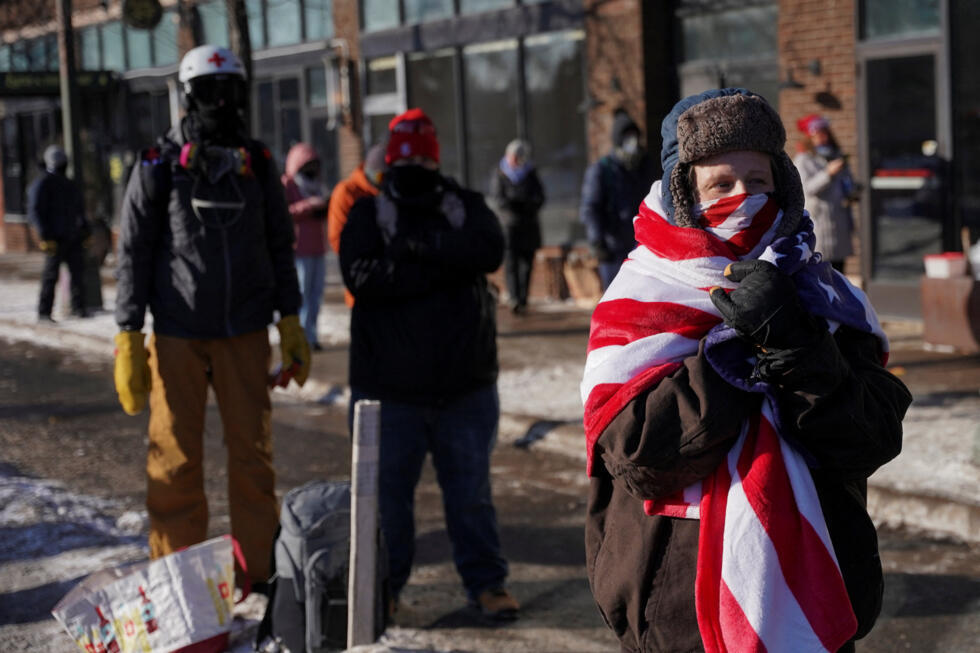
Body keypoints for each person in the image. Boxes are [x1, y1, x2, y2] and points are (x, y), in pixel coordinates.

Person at [580, 88, 911, 652]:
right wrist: (730, 358)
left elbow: (872, 438)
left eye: (757, 182)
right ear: (684, 194)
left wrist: (796, 345)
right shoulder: (638, 299)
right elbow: (638, 456)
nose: (743, 197)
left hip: (818, 598)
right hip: (676, 612)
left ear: (782, 184)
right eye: (721, 185)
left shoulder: (824, 296)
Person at [112, 44, 309, 588]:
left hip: (244, 332)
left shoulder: (260, 164)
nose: (219, 102)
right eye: (208, 92)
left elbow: (279, 243)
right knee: (174, 462)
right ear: (186, 96)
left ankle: (259, 574)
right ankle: (179, 582)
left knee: (253, 460)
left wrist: (290, 320)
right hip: (177, 333)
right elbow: (132, 249)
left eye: (229, 91)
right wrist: (128, 334)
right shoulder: (157, 165)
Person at [338, 108, 518, 621]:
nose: (415, 163)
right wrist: (444, 269)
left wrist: (417, 251)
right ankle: (384, 590)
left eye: (424, 154)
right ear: (391, 159)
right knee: (386, 503)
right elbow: (362, 276)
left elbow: (488, 249)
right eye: (407, 155)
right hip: (388, 392)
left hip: (465, 388)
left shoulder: (463, 205)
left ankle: (487, 583)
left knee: (471, 497)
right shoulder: (368, 214)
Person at [579, 109, 656, 289]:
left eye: (635, 136)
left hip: (642, 245)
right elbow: (590, 208)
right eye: (628, 137)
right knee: (617, 297)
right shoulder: (601, 170)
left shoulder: (645, 166)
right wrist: (597, 241)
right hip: (613, 249)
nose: (634, 142)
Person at [28, 145, 91, 322]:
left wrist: (86, 230)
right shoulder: (43, 184)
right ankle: (44, 312)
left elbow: (79, 209)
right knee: (50, 275)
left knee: (77, 274)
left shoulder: (68, 184)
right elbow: (35, 211)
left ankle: (79, 308)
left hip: (73, 236)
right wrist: (44, 236)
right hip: (54, 237)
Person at [793, 113, 856, 273]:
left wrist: (852, 189)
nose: (823, 138)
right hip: (820, 223)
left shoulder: (836, 156)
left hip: (839, 221)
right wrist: (828, 173)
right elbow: (807, 188)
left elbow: (846, 184)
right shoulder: (803, 160)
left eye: (825, 133)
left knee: (840, 273)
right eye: (818, 134)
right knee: (822, 272)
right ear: (809, 138)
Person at [489, 139, 545, 315]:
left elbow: (540, 197)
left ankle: (523, 299)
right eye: (514, 156)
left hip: (529, 225)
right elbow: (498, 199)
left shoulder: (531, 173)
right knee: (511, 263)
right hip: (509, 227)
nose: (516, 159)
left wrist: (527, 205)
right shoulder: (500, 173)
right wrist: (515, 205)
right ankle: (514, 297)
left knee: (526, 264)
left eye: (519, 156)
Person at [283, 142, 329, 350]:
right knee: (302, 295)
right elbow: (283, 214)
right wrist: (307, 206)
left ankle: (311, 336)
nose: (311, 170)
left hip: (318, 249)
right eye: (306, 165)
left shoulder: (318, 186)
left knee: (315, 295)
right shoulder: (289, 185)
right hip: (300, 250)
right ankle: (300, 338)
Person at [327, 143, 386, 307]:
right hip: (363, 290)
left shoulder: (392, 193)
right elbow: (338, 240)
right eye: (381, 177)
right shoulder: (347, 192)